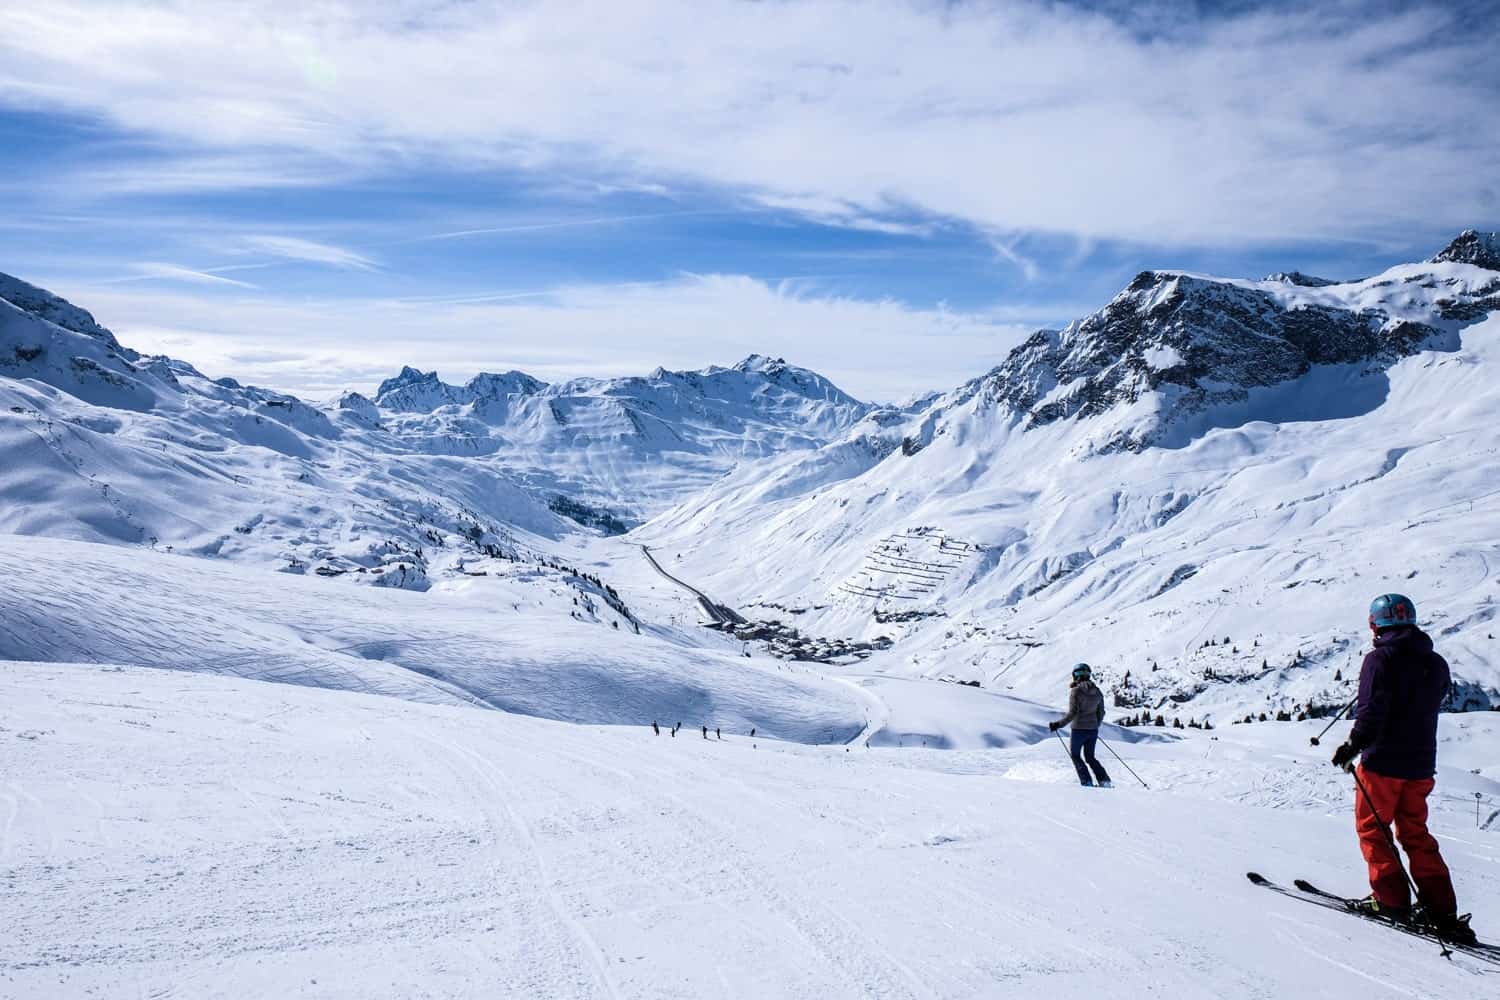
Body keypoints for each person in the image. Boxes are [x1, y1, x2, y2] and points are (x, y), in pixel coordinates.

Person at [1331, 594, 1475, 943]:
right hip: (1422, 765)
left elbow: (1371, 711)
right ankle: (1441, 909)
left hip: (1382, 763)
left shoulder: (1379, 660)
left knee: (1374, 830)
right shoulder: (1436, 663)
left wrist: (1352, 746)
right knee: (1416, 834)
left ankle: (1390, 900)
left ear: (1374, 624)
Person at [1049, 663, 1111, 787]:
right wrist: (1095, 725)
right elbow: (1101, 712)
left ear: (1075, 675)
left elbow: (1073, 713)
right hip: (1093, 730)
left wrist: (1058, 724)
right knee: (1090, 757)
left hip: (1078, 730)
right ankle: (1104, 781)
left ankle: (1086, 782)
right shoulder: (1097, 691)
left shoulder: (1076, 691)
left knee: (1076, 756)